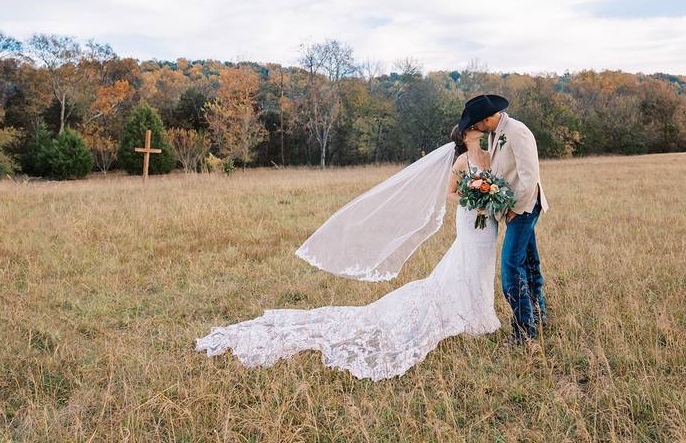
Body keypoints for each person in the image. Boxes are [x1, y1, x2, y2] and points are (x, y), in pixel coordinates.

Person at [195, 125, 501, 380]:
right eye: (474, 131)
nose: (478, 133)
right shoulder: (462, 163)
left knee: (482, 264)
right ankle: (472, 317)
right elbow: (450, 192)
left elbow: (501, 182)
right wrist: (472, 194)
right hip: (470, 216)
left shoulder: (489, 156)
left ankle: (480, 314)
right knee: (467, 261)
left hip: (489, 222)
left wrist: (493, 193)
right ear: (465, 137)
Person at [462, 94, 549, 344]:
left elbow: (529, 176)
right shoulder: (495, 134)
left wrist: (514, 208)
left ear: (487, 119)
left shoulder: (517, 131)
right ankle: (538, 314)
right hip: (512, 207)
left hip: (524, 206)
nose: (474, 128)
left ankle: (524, 332)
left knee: (511, 266)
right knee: (529, 261)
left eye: (475, 123)